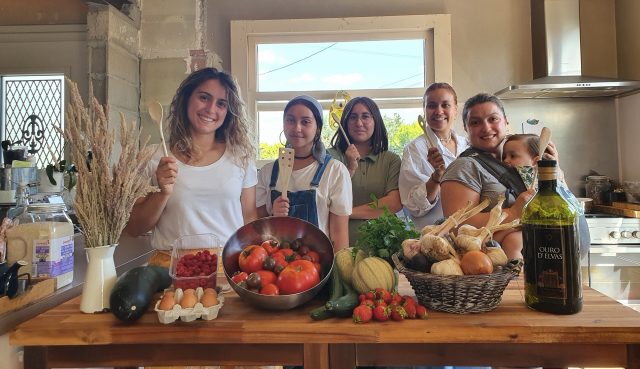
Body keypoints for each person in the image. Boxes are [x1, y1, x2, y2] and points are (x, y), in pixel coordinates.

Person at [125, 67, 258, 266]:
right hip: (169, 269)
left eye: (221, 103)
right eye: (204, 97)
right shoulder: (153, 157)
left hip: (228, 268)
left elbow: (249, 219)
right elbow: (135, 228)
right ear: (186, 98)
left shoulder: (241, 157)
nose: (211, 109)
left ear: (228, 112)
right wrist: (161, 193)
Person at [439, 93, 560, 260]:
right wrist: (514, 212)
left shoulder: (521, 160)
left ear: (506, 122)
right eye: (475, 122)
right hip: (497, 275)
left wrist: (554, 173)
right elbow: (456, 228)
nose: (486, 128)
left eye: (493, 119)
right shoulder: (465, 166)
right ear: (466, 129)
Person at [256, 95, 352, 251]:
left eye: (305, 121)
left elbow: (339, 234)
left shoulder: (335, 171)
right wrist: (272, 214)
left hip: (316, 266)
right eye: (290, 120)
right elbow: (256, 226)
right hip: (273, 266)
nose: (297, 128)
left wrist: (336, 274)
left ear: (318, 128)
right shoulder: (267, 172)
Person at [328, 96, 402, 246]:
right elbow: (325, 200)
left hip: (383, 246)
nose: (359, 123)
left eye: (365, 117)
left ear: (376, 121)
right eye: (353, 117)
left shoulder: (391, 160)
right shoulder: (330, 157)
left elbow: (394, 203)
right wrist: (350, 168)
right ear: (345, 123)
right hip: (339, 245)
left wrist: (346, 213)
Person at [399, 82, 469, 231]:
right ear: (424, 111)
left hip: (467, 231)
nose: (439, 111)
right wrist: (436, 178)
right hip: (432, 235)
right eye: (431, 105)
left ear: (456, 110)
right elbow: (413, 206)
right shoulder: (415, 149)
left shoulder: (467, 145)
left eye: (445, 105)